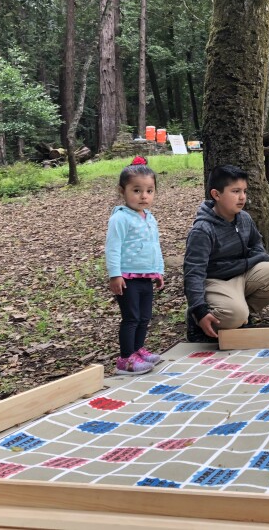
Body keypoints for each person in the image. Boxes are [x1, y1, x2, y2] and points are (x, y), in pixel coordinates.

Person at [184, 165, 269, 342]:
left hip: (241, 275)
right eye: (235, 191)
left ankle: (242, 314)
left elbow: (257, 245)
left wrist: (248, 262)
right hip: (215, 281)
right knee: (234, 315)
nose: (242, 197)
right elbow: (193, 272)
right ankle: (198, 321)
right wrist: (199, 309)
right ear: (216, 195)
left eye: (244, 191)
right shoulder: (203, 230)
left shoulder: (244, 218)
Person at [105, 156, 165, 375]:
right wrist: (115, 275)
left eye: (149, 190)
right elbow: (113, 247)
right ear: (123, 191)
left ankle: (138, 350)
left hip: (145, 276)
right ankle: (125, 359)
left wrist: (159, 271)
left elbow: (155, 245)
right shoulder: (120, 219)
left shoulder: (149, 217)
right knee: (131, 318)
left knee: (144, 317)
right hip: (127, 277)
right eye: (137, 190)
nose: (144, 196)